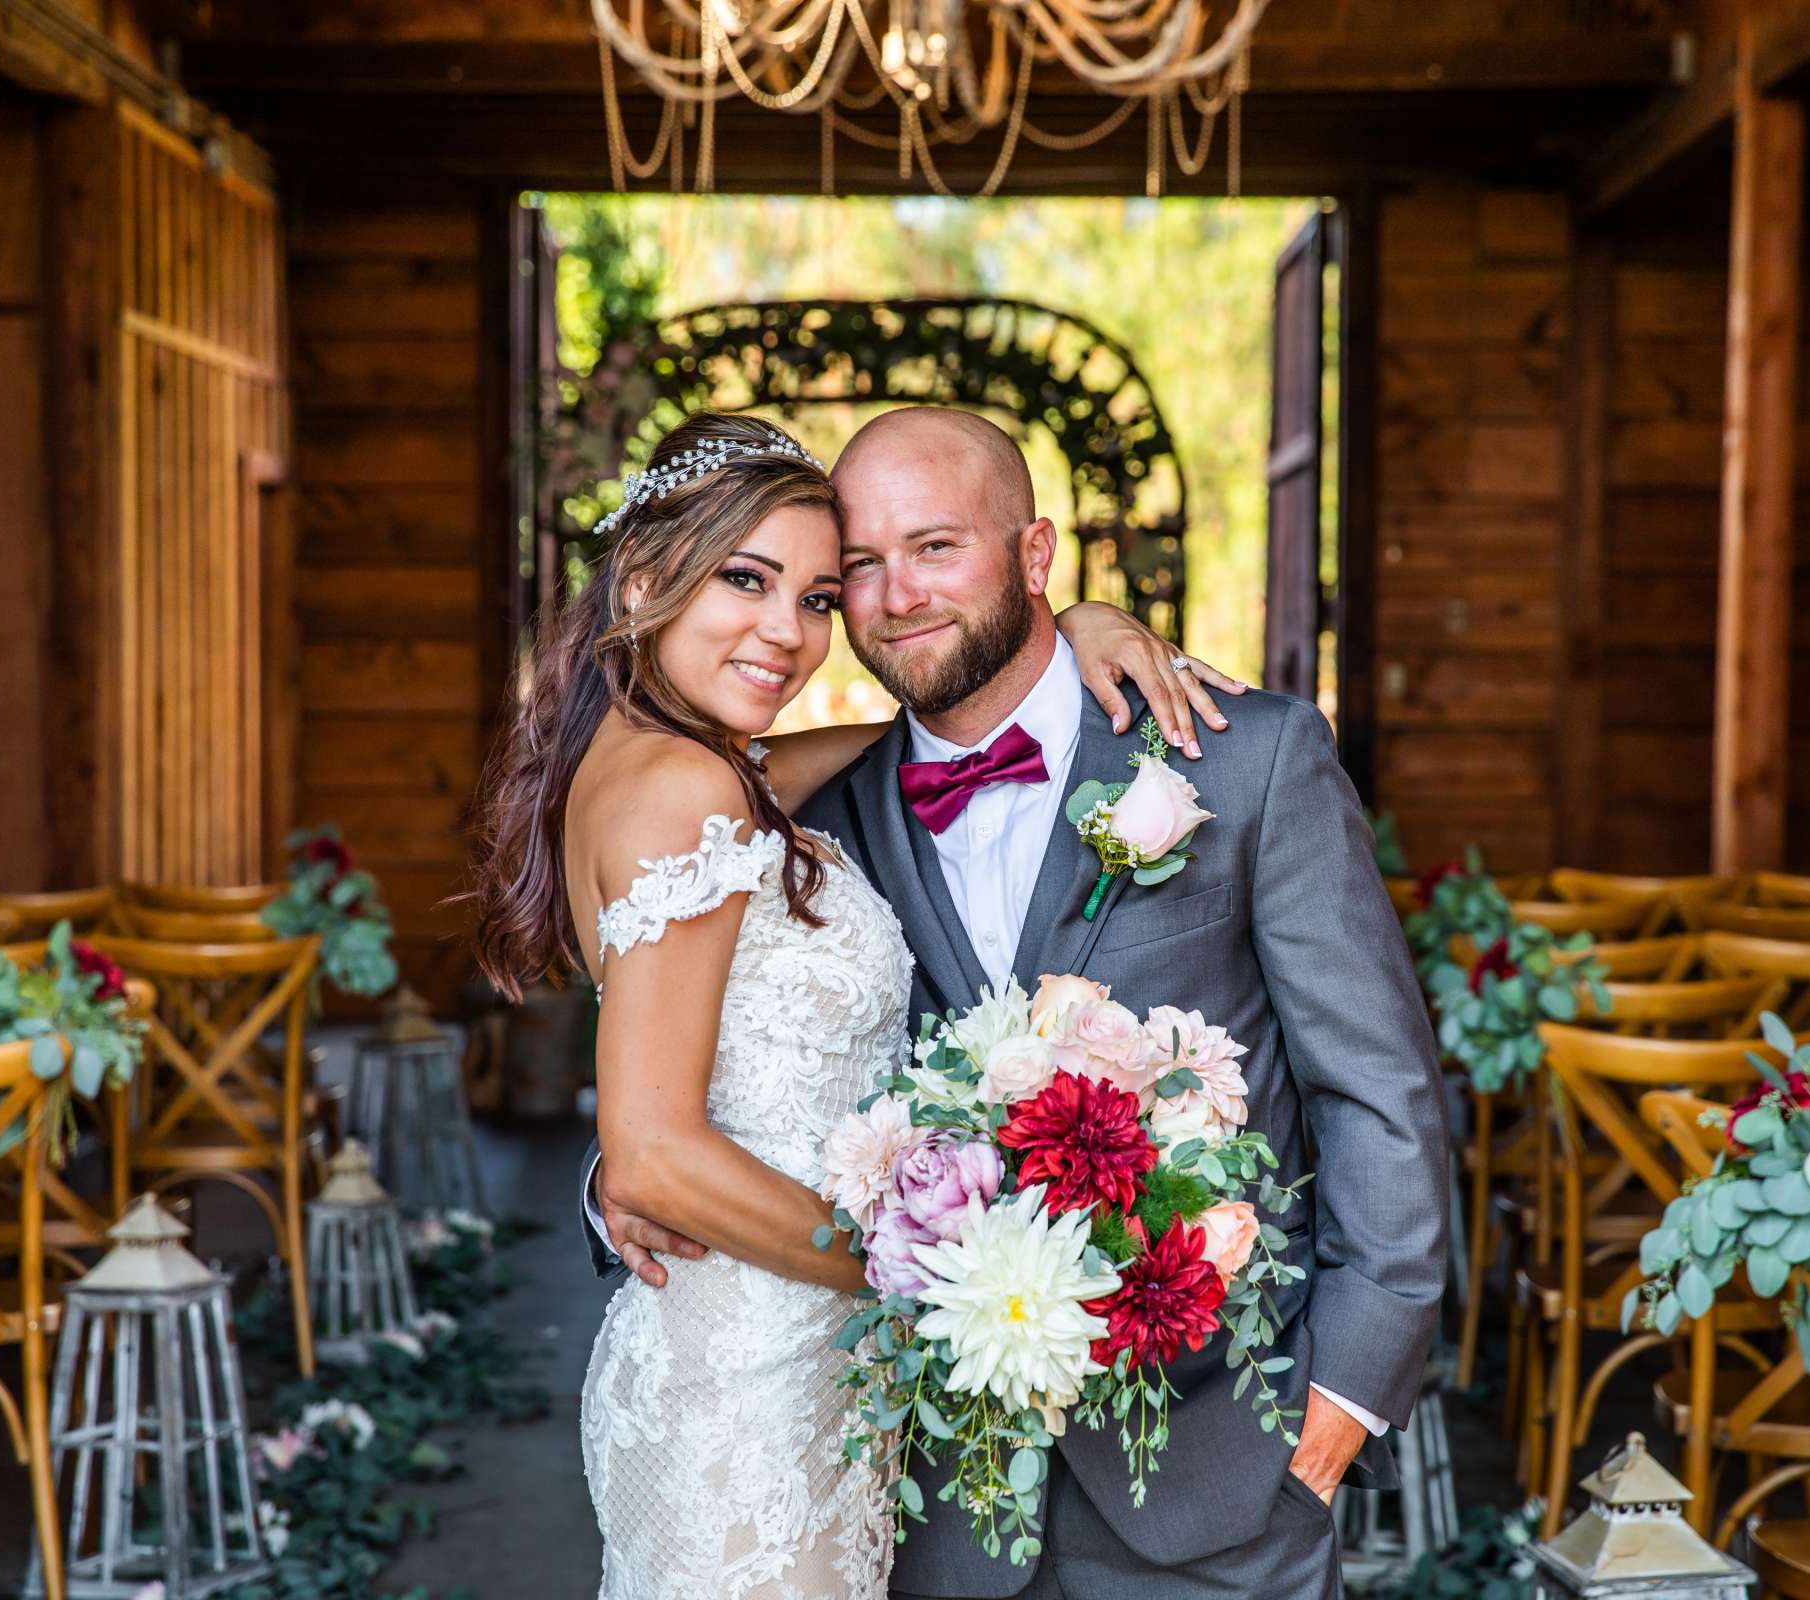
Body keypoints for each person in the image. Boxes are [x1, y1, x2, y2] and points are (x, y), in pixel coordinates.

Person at [587, 406, 1453, 1600]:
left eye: (936, 547)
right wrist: (620, 1183)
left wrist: (1348, 1388)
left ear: (1036, 557)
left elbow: (1378, 1087)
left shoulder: (1242, 760)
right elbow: (697, 1057)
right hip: (925, 1489)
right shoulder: (811, 828)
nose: (896, 597)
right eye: (863, 571)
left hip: (1213, 1464)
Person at [469, 410, 1235, 1600]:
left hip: (778, 1357)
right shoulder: (683, 785)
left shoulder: (676, 765)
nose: (789, 632)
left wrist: (1051, 632)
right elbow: (656, 1156)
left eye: (821, 598)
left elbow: (867, 748)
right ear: (646, 572)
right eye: (747, 581)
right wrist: (946, 1279)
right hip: (751, 1386)